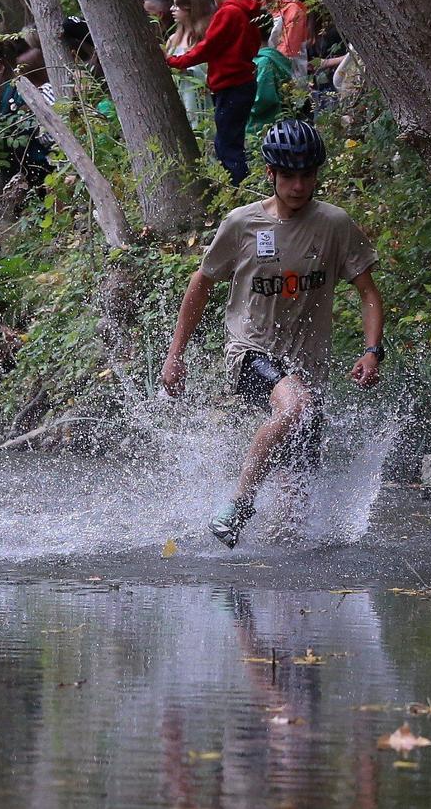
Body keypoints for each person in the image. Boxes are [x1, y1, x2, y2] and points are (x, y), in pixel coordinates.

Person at [159, 120, 386, 548]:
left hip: (308, 361)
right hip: (251, 350)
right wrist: (176, 355)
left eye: (307, 175)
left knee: (295, 500)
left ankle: (277, 584)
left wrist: (372, 350)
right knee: (294, 406)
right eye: (289, 176)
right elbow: (201, 283)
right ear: (271, 174)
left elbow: (369, 292)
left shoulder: (335, 225)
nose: (299, 186)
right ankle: (240, 504)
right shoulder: (242, 224)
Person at [167, 0, 266, 184]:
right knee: (230, 141)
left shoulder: (229, 13)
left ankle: (239, 191)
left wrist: (175, 61)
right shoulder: (249, 10)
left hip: (231, 85)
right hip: (242, 81)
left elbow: (208, 47)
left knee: (227, 146)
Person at [166, 0, 216, 125]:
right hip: (179, 99)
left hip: (201, 101)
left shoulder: (205, 36)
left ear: (190, 7)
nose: (172, 9)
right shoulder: (173, 39)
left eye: (177, 5)